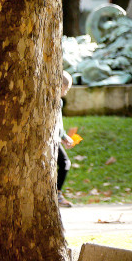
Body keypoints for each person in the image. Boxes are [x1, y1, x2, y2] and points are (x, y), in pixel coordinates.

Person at [55, 72, 76, 208]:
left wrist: (63, 137)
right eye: (66, 88)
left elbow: (59, 123)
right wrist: (62, 136)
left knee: (64, 163)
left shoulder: (59, 101)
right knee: (65, 163)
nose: (66, 92)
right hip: (53, 139)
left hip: (56, 138)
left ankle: (56, 192)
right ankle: (57, 193)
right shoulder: (54, 101)